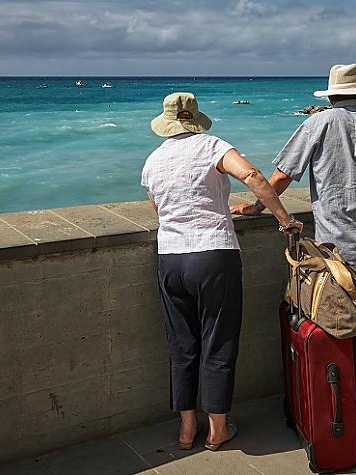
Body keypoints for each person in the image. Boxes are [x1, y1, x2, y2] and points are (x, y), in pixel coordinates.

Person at [232, 64, 356, 391]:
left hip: (340, 252)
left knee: (339, 328)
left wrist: (257, 207)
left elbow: (282, 176)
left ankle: (342, 408)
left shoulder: (317, 123)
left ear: (331, 95)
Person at [142, 92, 303, 451]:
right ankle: (217, 428)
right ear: (196, 119)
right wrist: (285, 220)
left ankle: (186, 429)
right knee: (218, 340)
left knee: (182, 345)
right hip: (213, 254)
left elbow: (159, 209)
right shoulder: (211, 145)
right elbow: (252, 175)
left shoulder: (152, 161)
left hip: (170, 258)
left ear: (166, 124)